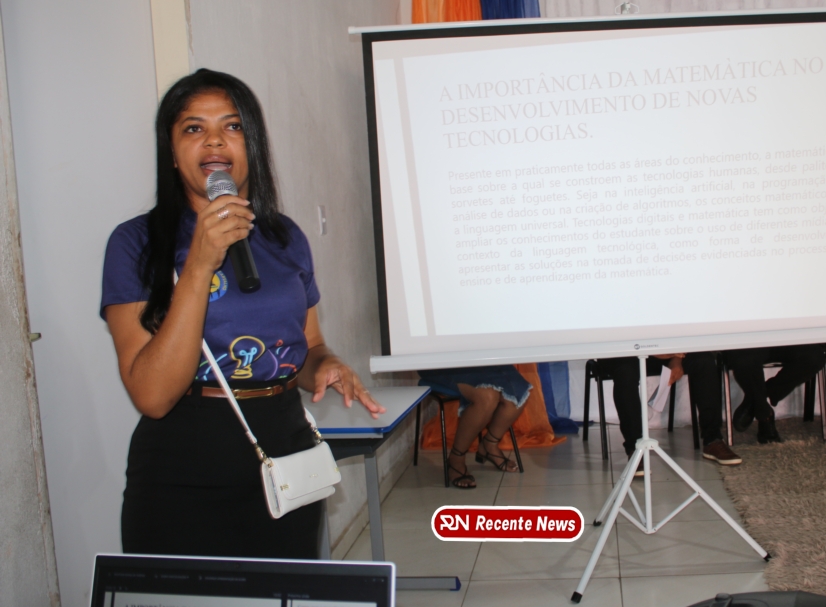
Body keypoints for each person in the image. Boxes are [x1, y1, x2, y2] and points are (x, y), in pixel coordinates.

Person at [102, 69, 384, 559]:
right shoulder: (135, 243)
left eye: (232, 126)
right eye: (194, 128)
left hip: (285, 453)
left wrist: (327, 365)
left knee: (286, 589)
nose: (214, 140)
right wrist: (199, 264)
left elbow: (309, 347)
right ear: (172, 152)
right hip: (183, 467)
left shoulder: (283, 236)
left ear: (252, 145)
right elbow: (151, 396)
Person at [593, 353, 742, 467]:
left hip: (665, 350)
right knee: (625, 370)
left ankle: (713, 439)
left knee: (703, 360)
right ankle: (635, 448)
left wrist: (676, 358)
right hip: (624, 351)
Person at [417, 365, 530, 489]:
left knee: (518, 389)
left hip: (480, 359)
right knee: (486, 397)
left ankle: (489, 444)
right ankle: (456, 458)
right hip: (442, 362)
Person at [725, 344, 826, 443]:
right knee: (743, 357)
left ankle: (757, 400)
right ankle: (765, 416)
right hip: (748, 342)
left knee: (814, 357)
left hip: (784, 339)